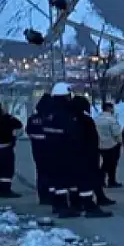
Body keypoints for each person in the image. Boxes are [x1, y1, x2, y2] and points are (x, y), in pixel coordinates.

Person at [70, 94, 115, 215]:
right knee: (88, 180)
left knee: (74, 181)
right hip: (87, 156)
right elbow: (92, 139)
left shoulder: (68, 119)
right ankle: (90, 206)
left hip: (70, 156)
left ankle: (76, 204)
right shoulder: (86, 121)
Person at [43, 83, 77, 216]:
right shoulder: (65, 114)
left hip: (49, 150)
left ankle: (56, 204)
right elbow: (71, 133)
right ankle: (63, 207)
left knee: (54, 180)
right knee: (63, 180)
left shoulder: (48, 113)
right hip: (64, 151)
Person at [24, 94, 55, 206]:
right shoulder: (52, 118)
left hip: (37, 150)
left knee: (41, 172)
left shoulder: (32, 119)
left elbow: (28, 131)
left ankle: (43, 197)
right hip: (51, 150)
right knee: (52, 173)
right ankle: (52, 196)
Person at [95, 102, 123, 188]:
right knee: (112, 164)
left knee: (105, 163)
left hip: (99, 145)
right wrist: (120, 142)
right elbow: (116, 133)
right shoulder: (111, 119)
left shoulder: (96, 119)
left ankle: (101, 180)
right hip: (112, 145)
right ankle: (111, 181)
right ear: (109, 109)